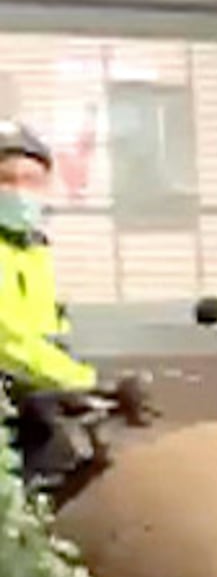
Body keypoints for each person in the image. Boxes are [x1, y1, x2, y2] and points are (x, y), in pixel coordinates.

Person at [0, 120, 98, 393]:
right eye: (5, 180)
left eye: (31, 180)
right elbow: (8, 343)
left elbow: (48, 336)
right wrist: (86, 381)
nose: (19, 191)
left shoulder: (35, 251)